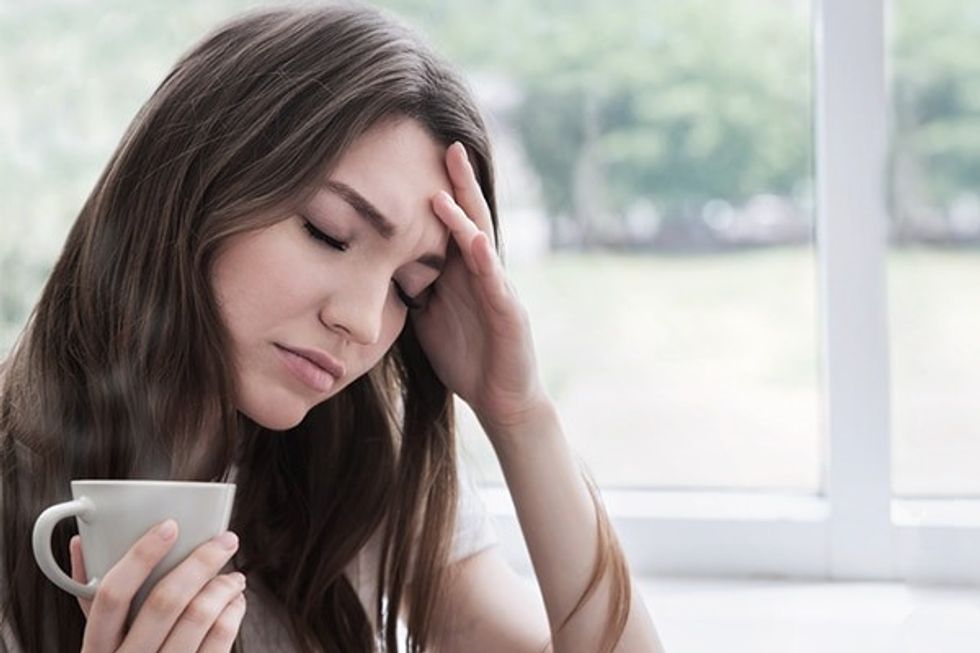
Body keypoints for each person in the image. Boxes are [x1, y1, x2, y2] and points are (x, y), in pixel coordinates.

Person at [0, 4, 665, 652]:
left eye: (412, 286)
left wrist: (519, 413)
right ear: (194, 183)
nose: (363, 319)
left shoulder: (353, 460)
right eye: (328, 231)